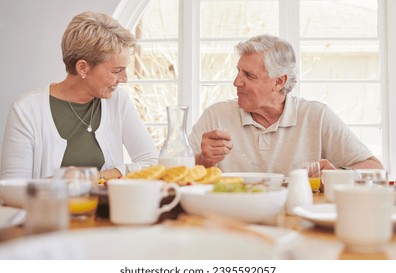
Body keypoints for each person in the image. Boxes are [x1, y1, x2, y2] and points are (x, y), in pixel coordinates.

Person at [188, 34, 383, 175]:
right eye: (238, 71)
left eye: (249, 75)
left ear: (279, 82)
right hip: (231, 221)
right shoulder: (216, 115)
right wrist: (203, 160)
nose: (236, 82)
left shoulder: (316, 116)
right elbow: (174, 173)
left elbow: (374, 167)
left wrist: (339, 175)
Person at [0, 11, 158, 180]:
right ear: (83, 68)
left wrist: (95, 176)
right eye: (117, 71)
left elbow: (150, 161)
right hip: (52, 207)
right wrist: (58, 182)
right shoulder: (26, 111)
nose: (125, 79)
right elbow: (11, 187)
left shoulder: (118, 101)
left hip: (110, 207)